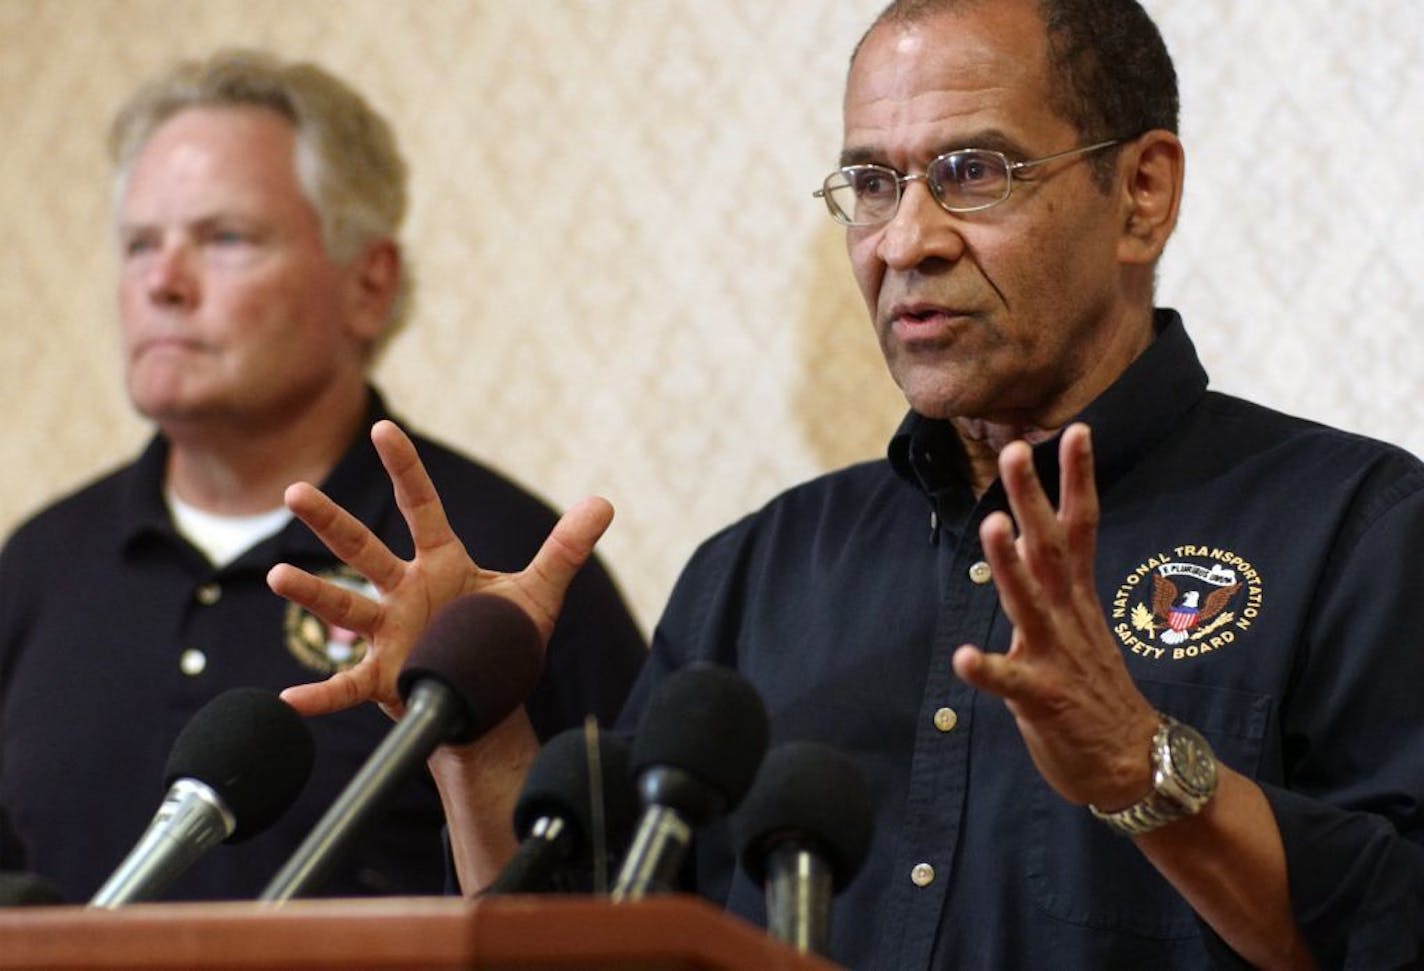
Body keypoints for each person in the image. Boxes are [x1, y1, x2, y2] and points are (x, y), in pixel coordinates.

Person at [264, 0, 1424, 967]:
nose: (903, 239)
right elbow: (600, 942)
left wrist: (1141, 769)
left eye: (971, 171)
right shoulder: (753, 573)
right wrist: (474, 724)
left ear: (1140, 193)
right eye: (869, 183)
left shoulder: (1355, 531)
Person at [0, 50, 647, 904]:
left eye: (225, 238)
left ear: (368, 284)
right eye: (139, 244)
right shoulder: (40, 564)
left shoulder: (506, 566)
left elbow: (635, 902)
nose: (162, 281)